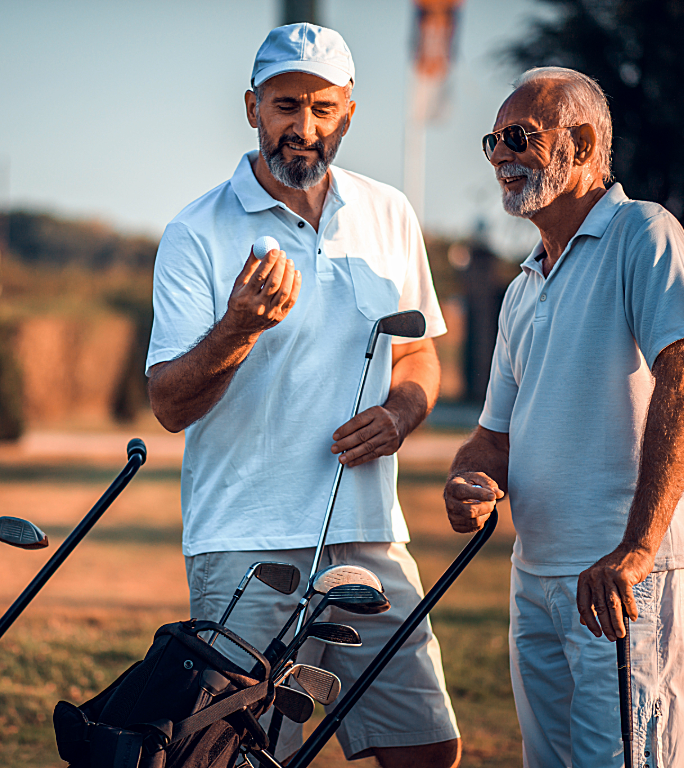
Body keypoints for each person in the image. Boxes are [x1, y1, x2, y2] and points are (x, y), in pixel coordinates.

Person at [146, 23, 460, 767]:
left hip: (368, 532)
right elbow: (168, 404)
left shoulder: (390, 214)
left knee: (427, 747)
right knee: (229, 756)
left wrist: (400, 413)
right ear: (252, 106)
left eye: (323, 109)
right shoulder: (196, 232)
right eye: (286, 105)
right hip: (244, 542)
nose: (304, 127)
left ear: (348, 111)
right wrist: (236, 328)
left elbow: (417, 355)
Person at [444, 66, 684, 767]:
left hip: (618, 582)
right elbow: (493, 439)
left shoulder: (643, 232)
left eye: (520, 137)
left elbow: (680, 375)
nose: (501, 158)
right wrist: (468, 482)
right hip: (536, 582)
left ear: (580, 144)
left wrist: (637, 551)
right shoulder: (523, 286)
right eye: (493, 142)